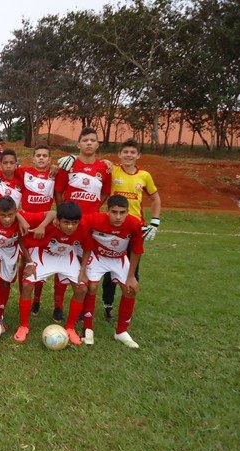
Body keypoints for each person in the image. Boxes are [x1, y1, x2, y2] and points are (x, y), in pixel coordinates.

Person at [52, 127, 111, 322]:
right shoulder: (69, 165)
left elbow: (105, 193)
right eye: (85, 140)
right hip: (68, 223)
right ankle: (58, 306)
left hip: (90, 225)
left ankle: (83, 307)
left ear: (97, 144)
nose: (89, 143)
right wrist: (62, 214)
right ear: (79, 144)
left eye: (93, 140)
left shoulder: (104, 168)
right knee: (62, 260)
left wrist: (94, 209)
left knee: (86, 264)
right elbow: (58, 191)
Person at [101, 138, 161, 320]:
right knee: (110, 268)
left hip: (135, 228)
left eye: (132, 152)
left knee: (132, 269)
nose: (128, 155)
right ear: (119, 154)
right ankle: (108, 305)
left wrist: (155, 222)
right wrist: (105, 162)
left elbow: (155, 198)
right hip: (113, 227)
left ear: (138, 155)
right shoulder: (113, 170)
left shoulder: (144, 176)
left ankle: (127, 304)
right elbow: (97, 165)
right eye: (125, 152)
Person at [18, 203, 91, 344]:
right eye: (66, 222)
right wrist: (30, 263)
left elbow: (87, 247)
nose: (70, 227)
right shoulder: (46, 226)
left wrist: (82, 271)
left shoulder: (83, 228)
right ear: (57, 221)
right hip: (44, 254)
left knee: (82, 288)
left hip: (66, 256)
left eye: (74, 223)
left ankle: (70, 328)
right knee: (27, 285)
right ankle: (24, 326)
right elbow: (22, 240)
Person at [80, 195, 144, 348]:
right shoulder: (94, 219)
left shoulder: (135, 224)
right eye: (114, 212)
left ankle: (121, 331)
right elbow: (75, 220)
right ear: (107, 211)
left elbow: (136, 251)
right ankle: (88, 328)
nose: (118, 217)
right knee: (91, 286)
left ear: (128, 212)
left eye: (122, 212)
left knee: (130, 289)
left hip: (118, 258)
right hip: (98, 257)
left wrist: (131, 276)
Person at [0, 195, 38, 332]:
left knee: (5, 282)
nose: (7, 219)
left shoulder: (23, 217)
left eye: (10, 215)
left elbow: (51, 214)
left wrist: (40, 226)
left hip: (10, 251)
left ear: (16, 211)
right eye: (3, 215)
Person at [19, 144, 56, 314]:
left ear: (49, 160)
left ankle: (37, 299)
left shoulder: (55, 174)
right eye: (38, 155)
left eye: (44, 156)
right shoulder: (24, 172)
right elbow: (1, 169)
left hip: (44, 224)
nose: (41, 158)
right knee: (24, 261)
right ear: (33, 159)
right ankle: (23, 295)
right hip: (26, 223)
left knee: (40, 263)